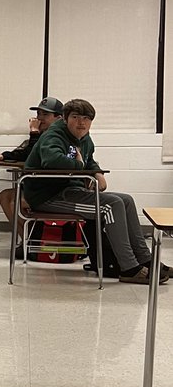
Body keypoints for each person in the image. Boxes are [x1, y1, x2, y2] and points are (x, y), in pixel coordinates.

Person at [25, 98, 168, 284]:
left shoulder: (83, 137)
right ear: (65, 119)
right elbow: (52, 161)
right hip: (47, 196)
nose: (81, 122)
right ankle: (129, 267)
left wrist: (97, 171)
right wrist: (82, 166)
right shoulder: (54, 136)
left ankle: (146, 259)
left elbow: (88, 159)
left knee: (126, 200)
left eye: (86, 118)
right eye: (75, 117)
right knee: (111, 205)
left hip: (70, 190)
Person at [0, 96, 64, 224]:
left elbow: (32, 154)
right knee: (4, 196)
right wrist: (4, 156)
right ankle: (24, 240)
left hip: (52, 189)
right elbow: (23, 152)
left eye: (45, 114)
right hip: (38, 187)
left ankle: (29, 239)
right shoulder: (43, 135)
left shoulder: (57, 136)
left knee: (14, 202)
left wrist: (34, 131)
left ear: (58, 118)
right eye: (38, 113)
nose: (39, 118)